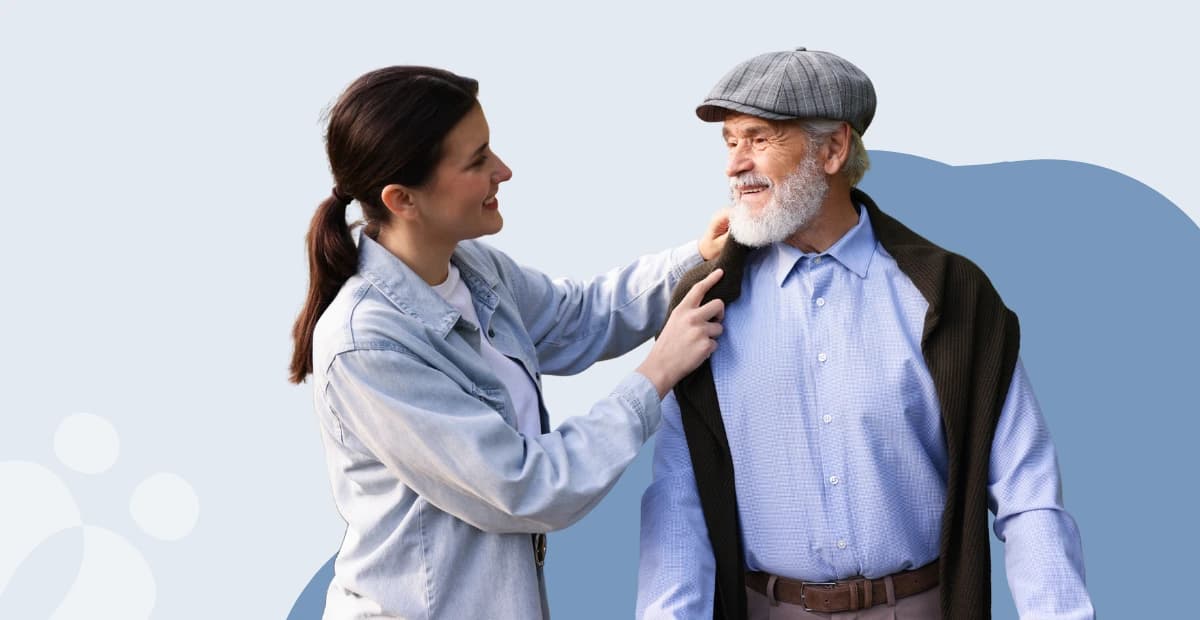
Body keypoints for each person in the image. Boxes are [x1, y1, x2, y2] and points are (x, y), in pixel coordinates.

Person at [636, 48, 1094, 619]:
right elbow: (679, 504)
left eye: (758, 139)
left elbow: (1027, 495)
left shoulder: (951, 295)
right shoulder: (706, 303)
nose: (735, 164)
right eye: (730, 142)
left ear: (833, 149)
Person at [287, 66, 729, 619]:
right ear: (402, 199)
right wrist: (655, 376)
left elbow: (579, 316)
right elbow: (527, 486)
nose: (504, 170)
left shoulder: (473, 269)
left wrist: (698, 255)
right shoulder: (367, 345)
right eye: (476, 161)